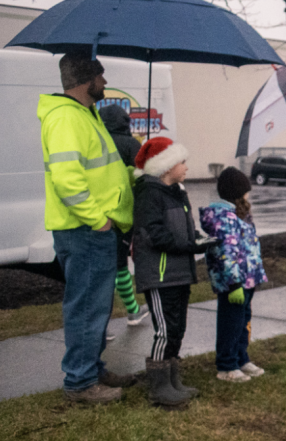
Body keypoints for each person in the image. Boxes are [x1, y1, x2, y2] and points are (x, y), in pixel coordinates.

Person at [39, 49, 137, 404]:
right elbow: (68, 181)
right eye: (101, 76)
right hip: (85, 230)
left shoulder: (84, 115)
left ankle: (91, 369)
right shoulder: (68, 119)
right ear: (86, 80)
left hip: (91, 230)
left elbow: (99, 170)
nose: (106, 82)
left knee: (96, 305)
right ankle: (80, 383)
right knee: (85, 306)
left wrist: (131, 176)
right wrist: (99, 221)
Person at [133, 137, 209, 407]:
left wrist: (199, 238)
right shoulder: (149, 193)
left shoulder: (178, 192)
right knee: (165, 330)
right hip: (160, 274)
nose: (187, 167)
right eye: (182, 161)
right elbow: (155, 234)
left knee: (178, 327)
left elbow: (183, 228)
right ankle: (158, 387)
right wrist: (189, 245)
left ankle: (172, 379)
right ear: (165, 166)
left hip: (179, 272)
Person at [200, 167, 268, 383]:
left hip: (247, 279)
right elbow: (228, 253)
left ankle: (241, 357)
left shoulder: (241, 216)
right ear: (238, 192)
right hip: (234, 283)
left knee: (243, 319)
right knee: (231, 321)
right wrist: (234, 283)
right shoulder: (224, 219)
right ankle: (226, 364)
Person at [98, 103, 148, 328]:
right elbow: (142, 178)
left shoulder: (96, 143)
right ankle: (133, 311)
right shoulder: (131, 145)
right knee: (119, 266)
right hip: (122, 215)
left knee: (101, 270)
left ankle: (101, 325)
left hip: (97, 214)